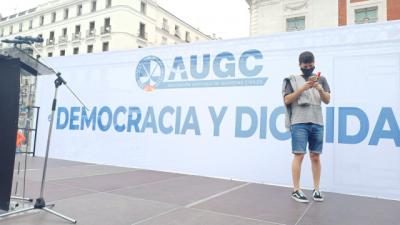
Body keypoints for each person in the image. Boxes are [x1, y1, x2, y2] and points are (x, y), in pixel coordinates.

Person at [282, 51, 331, 203]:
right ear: (300, 65)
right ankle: (296, 190)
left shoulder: (321, 79)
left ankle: (316, 190)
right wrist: (303, 88)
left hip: (317, 122)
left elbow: (327, 99)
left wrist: (319, 88)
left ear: (314, 64)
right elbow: (287, 99)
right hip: (299, 122)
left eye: (311, 66)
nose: (308, 68)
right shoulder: (292, 80)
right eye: (305, 66)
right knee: (299, 155)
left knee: (315, 156)